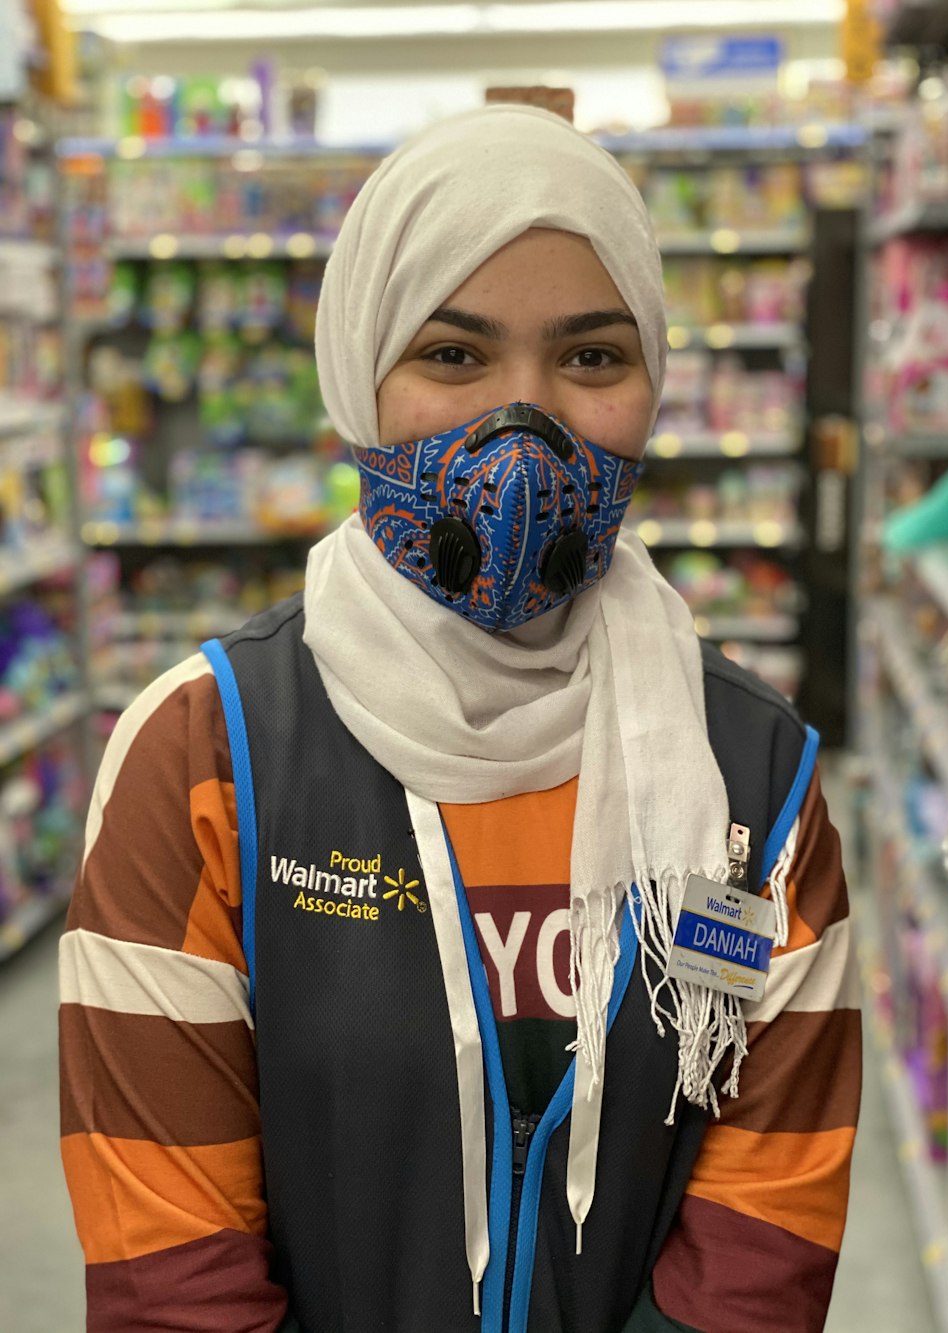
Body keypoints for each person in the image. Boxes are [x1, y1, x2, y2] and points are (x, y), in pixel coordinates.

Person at [59, 105, 861, 1333]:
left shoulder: (756, 778)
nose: (521, 427)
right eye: (452, 355)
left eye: (591, 359)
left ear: (652, 385)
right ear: (358, 375)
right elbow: (168, 1269)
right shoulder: (203, 756)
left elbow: (763, 1238)